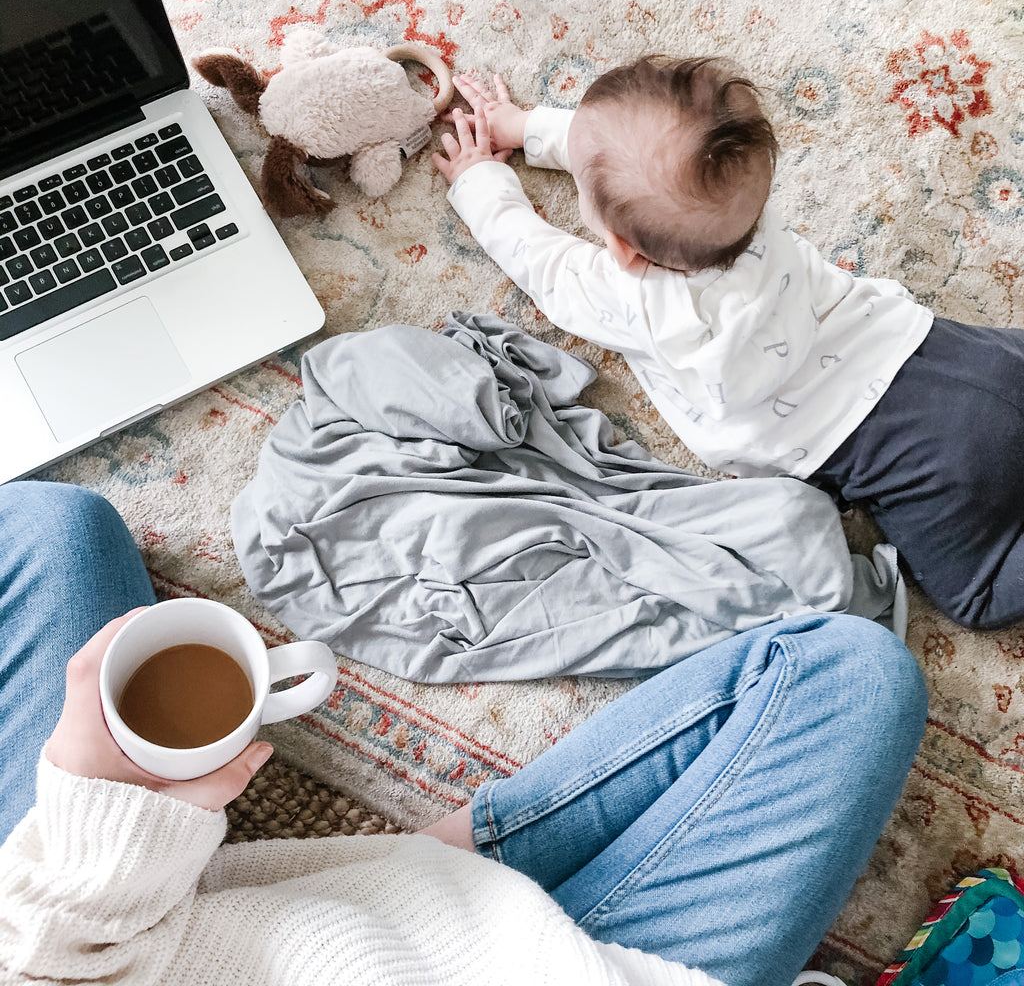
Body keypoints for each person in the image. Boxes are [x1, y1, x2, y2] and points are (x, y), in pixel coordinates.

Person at [0, 480, 927, 986]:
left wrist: (93, 830)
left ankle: (425, 874)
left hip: (141, 934)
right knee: (847, 674)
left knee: (53, 526)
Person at [432, 57, 1024, 632]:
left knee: (978, 596)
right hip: (952, 354)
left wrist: (479, 179)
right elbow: (635, 153)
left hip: (915, 462)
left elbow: (540, 260)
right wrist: (527, 126)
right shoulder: (749, 208)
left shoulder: (631, 296)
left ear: (621, 248)